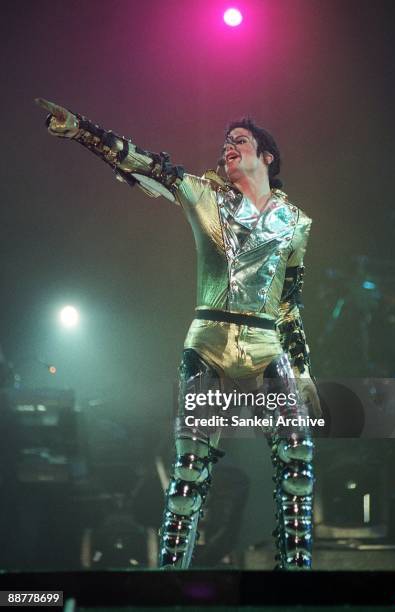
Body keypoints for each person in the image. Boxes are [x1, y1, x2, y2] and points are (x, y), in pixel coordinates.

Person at [35, 98, 320, 570]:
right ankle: (170, 581)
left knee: (298, 458)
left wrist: (304, 371)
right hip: (209, 341)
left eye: (240, 140)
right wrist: (81, 130)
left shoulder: (296, 222)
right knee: (188, 471)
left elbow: (290, 303)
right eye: (225, 140)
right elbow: (146, 162)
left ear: (266, 156)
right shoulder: (205, 194)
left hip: (268, 343)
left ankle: (296, 581)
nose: (228, 145)